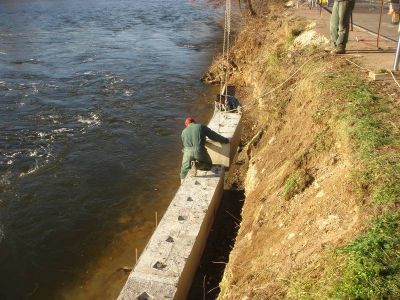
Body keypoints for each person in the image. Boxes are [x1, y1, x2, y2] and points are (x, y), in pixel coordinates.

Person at [180, 117, 229, 181]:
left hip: (187, 152)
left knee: (184, 169)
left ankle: (182, 181)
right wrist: (225, 140)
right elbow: (213, 136)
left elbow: (185, 145)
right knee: (208, 165)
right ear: (194, 122)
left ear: (186, 125)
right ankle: (196, 165)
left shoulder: (183, 132)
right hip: (199, 150)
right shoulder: (200, 126)